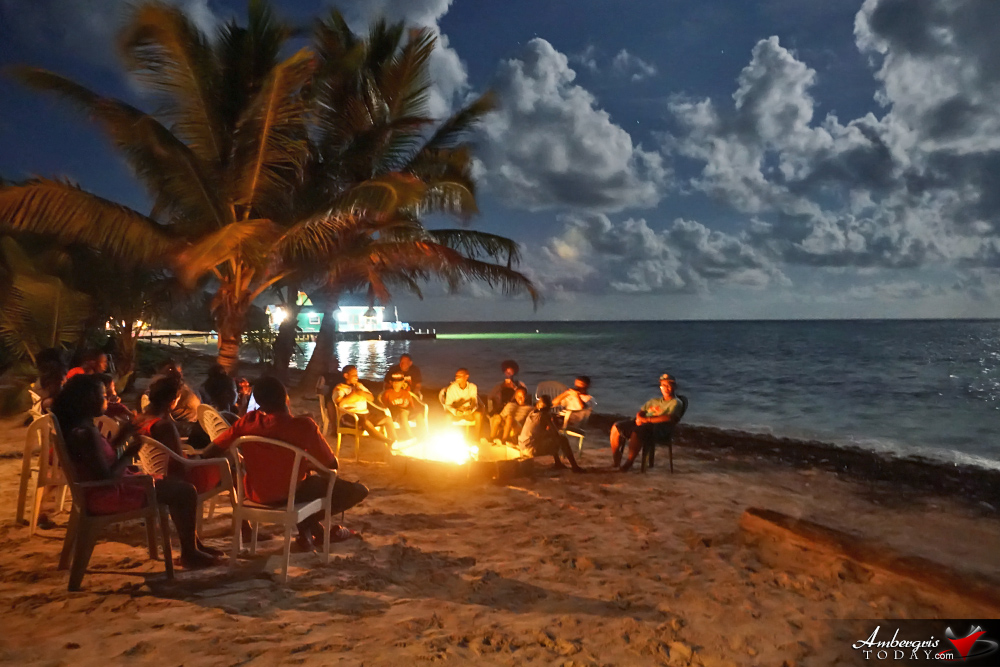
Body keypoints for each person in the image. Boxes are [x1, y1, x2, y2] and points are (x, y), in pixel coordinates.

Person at [52, 375, 219, 567]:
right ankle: (190, 553)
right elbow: (106, 477)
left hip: (100, 491)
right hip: (110, 495)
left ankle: (193, 547)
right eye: (103, 395)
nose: (107, 399)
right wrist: (128, 454)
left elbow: (100, 462)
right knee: (185, 491)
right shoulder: (86, 433)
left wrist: (123, 436)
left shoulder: (78, 429)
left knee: (175, 486)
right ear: (87, 400)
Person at [203, 377, 369, 549]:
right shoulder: (303, 426)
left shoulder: (246, 422)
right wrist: (308, 463)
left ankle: (314, 533)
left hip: (255, 495)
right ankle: (309, 524)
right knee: (357, 490)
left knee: (304, 478)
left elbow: (211, 450)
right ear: (285, 397)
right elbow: (332, 465)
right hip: (290, 495)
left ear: (259, 403)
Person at [135, 375, 222, 497]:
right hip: (179, 479)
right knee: (225, 462)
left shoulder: (139, 420)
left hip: (155, 472)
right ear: (172, 401)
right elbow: (181, 466)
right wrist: (197, 458)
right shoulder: (164, 427)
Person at [611, 373, 684, 471]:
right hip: (643, 422)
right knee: (616, 426)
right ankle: (616, 458)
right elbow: (641, 411)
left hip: (658, 428)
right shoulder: (654, 401)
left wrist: (647, 420)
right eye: (663, 385)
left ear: (674, 386)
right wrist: (639, 418)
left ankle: (629, 462)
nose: (665, 388)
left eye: (668, 385)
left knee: (637, 431)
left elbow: (669, 418)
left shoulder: (676, 402)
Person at [518, 395, 584, 472]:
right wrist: (555, 422)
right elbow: (555, 433)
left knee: (551, 437)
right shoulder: (545, 415)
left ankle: (558, 463)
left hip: (523, 446)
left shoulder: (532, 413)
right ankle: (575, 467)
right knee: (562, 439)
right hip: (531, 449)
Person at [334, 365, 395, 445]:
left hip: (365, 414)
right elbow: (340, 404)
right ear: (346, 375)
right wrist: (353, 394)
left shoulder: (359, 385)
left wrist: (361, 392)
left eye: (357, 374)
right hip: (351, 417)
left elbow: (371, 398)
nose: (357, 377)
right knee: (366, 422)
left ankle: (395, 440)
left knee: (387, 419)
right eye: (354, 375)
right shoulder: (340, 388)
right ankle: (388, 442)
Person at [379, 373, 426, 441]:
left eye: (398, 382)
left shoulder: (405, 393)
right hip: (395, 414)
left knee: (419, 414)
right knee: (403, 413)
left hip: (407, 412)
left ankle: (424, 434)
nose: (396, 384)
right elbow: (384, 406)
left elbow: (412, 406)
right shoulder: (388, 393)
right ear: (391, 383)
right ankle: (411, 436)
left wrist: (414, 411)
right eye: (395, 382)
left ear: (402, 383)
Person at [442, 368, 483, 438]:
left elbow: (474, 403)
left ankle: (477, 438)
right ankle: (447, 437)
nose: (457, 378)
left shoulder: (472, 387)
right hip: (457, 412)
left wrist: (470, 410)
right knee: (447, 416)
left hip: (468, 412)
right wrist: (456, 411)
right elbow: (448, 405)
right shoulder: (451, 388)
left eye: (460, 376)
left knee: (479, 415)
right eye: (456, 376)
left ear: (466, 377)